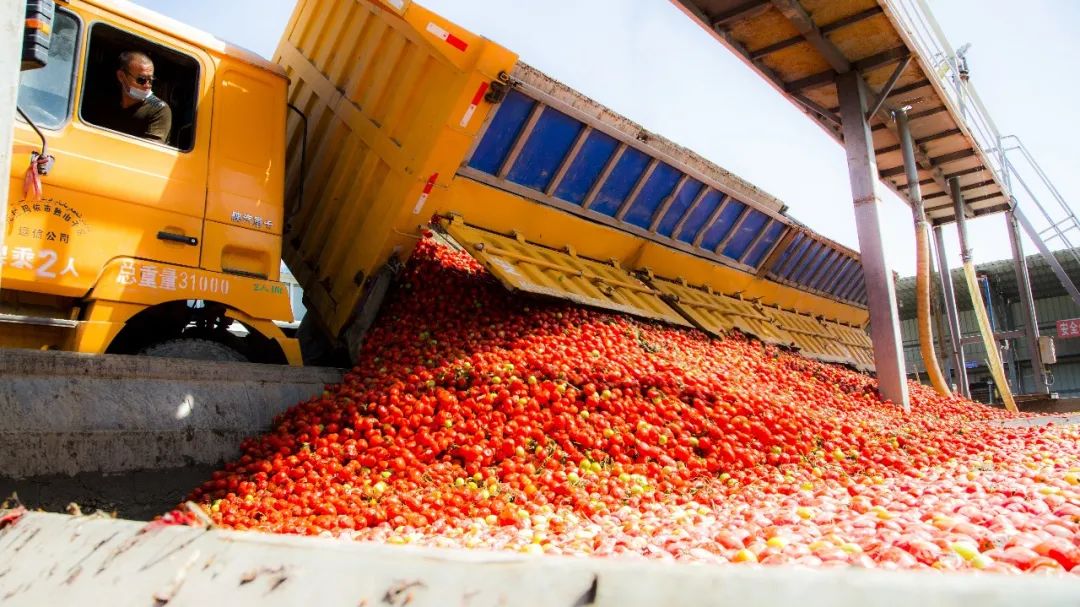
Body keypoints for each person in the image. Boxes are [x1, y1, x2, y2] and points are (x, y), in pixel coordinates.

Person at [86, 50, 172, 143]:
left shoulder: (158, 108)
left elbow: (150, 151)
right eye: (141, 80)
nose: (148, 85)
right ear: (121, 76)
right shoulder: (107, 101)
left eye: (150, 80)